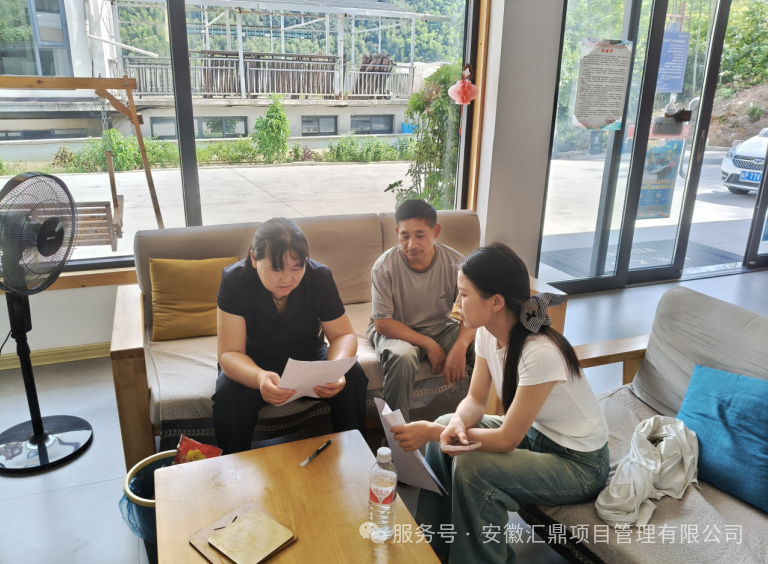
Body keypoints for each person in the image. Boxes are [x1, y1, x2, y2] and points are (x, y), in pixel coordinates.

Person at [391, 243, 610, 563]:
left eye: (463, 295)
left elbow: (507, 438)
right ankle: (433, 549)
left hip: (579, 464)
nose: (456, 304)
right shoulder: (486, 333)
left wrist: (431, 434)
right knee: (444, 424)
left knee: (471, 465)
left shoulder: (539, 352)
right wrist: (454, 424)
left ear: (495, 301)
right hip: (536, 437)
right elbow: (475, 400)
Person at [212, 218, 368, 454]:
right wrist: (259, 377)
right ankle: (233, 467)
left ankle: (356, 458)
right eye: (276, 269)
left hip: (307, 354)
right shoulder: (234, 280)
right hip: (253, 361)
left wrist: (336, 369)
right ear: (254, 258)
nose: (287, 278)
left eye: (297, 268)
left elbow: (343, 335)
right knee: (229, 394)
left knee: (353, 374)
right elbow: (230, 352)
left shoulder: (319, 276)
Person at [366, 199, 476, 423]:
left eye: (419, 235)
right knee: (403, 357)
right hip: (395, 330)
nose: (411, 244)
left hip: (440, 327)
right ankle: (396, 435)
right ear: (397, 233)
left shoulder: (455, 263)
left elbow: (472, 312)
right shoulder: (384, 267)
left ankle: (475, 420)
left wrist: (461, 345)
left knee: (483, 344)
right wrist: (429, 345)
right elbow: (383, 323)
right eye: (404, 236)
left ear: (435, 231)